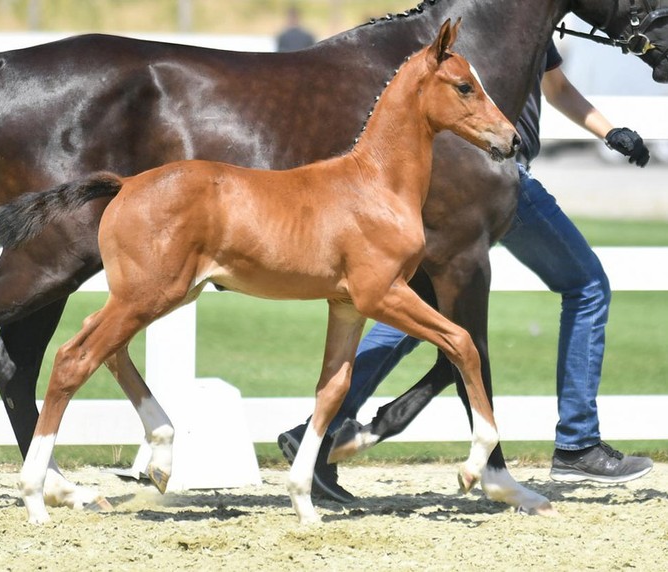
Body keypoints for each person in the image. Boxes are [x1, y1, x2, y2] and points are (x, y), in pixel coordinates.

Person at [277, 40, 654, 503]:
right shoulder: (502, 31)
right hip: (500, 179)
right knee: (587, 285)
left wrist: (609, 131)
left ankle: (323, 428)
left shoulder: (518, 30)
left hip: (463, 179)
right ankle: (577, 441)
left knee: (410, 307)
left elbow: (557, 89)